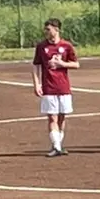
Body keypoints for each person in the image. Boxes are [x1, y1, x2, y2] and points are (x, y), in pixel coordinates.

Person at [32, 18, 80, 157]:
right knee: (52, 117)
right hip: (48, 87)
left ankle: (58, 145)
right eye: (45, 29)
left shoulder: (66, 46)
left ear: (57, 29)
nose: (46, 32)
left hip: (63, 87)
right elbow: (36, 66)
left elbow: (76, 64)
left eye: (48, 29)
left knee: (61, 118)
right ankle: (56, 147)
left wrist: (62, 64)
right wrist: (37, 84)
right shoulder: (41, 46)